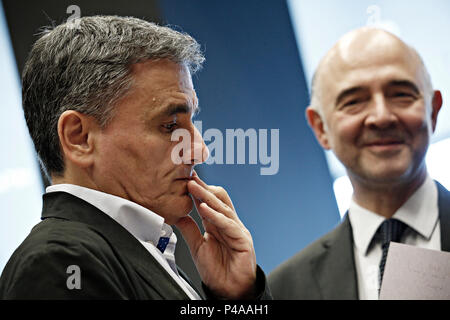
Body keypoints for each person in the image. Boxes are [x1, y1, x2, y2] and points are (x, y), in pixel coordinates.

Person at [0, 15, 270, 300]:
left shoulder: (132, 250)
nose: (200, 151)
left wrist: (237, 296)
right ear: (79, 138)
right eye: (170, 126)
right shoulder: (58, 263)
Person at [268, 27, 449, 300]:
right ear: (321, 128)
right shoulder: (284, 290)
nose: (381, 116)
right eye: (354, 101)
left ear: (433, 111)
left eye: (401, 94)